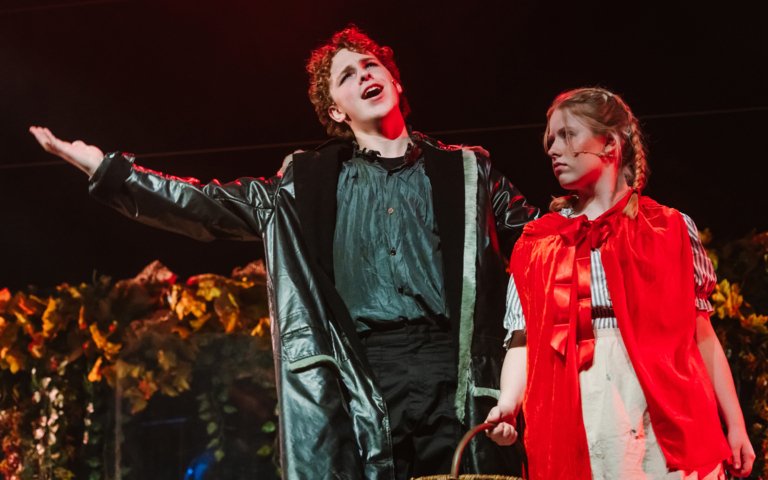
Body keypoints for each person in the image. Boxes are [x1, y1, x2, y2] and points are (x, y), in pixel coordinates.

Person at [30, 26, 538, 480]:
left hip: (453, 371)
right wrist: (110, 171)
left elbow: (545, 234)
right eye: (347, 76)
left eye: (371, 66)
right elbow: (207, 206)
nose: (364, 76)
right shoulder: (305, 185)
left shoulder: (469, 172)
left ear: (396, 82)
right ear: (336, 110)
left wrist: (611, 205)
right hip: (363, 376)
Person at [485, 87, 755, 479]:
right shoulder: (538, 243)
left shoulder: (669, 229)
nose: (553, 149)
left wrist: (735, 425)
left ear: (609, 143)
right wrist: (508, 404)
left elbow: (701, 334)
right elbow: (522, 340)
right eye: (550, 140)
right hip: (576, 405)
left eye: (568, 135)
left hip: (665, 408)